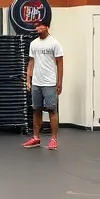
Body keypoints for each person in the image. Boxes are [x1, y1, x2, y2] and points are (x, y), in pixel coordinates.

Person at [24, 20, 64, 150]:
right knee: (36, 110)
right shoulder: (33, 44)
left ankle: (54, 139)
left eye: (41, 26)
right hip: (37, 82)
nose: (39, 28)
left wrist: (60, 82)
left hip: (50, 83)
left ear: (47, 27)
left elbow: (60, 63)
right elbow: (31, 62)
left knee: (52, 110)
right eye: (37, 26)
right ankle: (36, 138)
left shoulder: (54, 43)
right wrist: (28, 80)